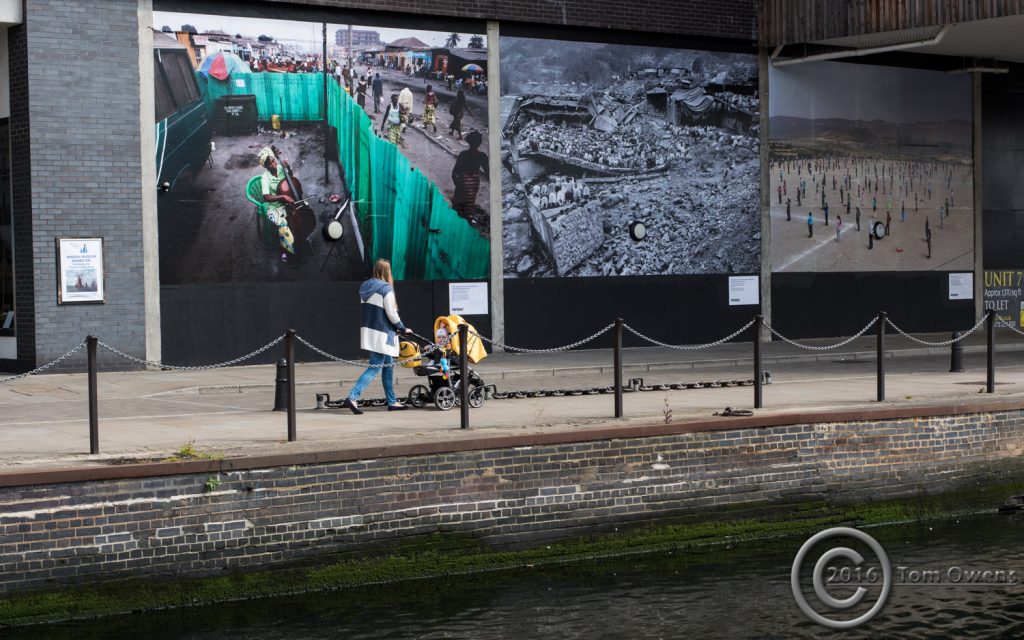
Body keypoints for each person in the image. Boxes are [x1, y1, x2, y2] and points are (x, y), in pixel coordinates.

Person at [342, 259, 412, 414]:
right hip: (383, 334)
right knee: (375, 368)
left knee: (388, 368)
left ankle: (392, 401)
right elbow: (391, 313)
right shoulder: (386, 288)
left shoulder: (365, 287)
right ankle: (352, 397)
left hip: (370, 331)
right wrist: (402, 327)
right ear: (388, 272)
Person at [257, 147, 296, 262]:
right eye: (270, 164)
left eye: (274, 161)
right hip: (273, 207)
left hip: (286, 203)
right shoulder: (265, 178)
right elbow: (266, 197)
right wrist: (283, 196)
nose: (274, 165)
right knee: (283, 223)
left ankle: (300, 234)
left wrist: (288, 167)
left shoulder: (280, 168)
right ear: (266, 166)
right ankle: (283, 249)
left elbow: (291, 179)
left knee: (301, 210)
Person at [451, 130, 488, 216]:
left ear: (469, 141)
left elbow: (454, 173)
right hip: (473, 184)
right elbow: (488, 173)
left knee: (456, 207)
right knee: (468, 207)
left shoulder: (463, 154)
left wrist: (458, 183)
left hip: (462, 181)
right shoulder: (482, 156)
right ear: (479, 143)